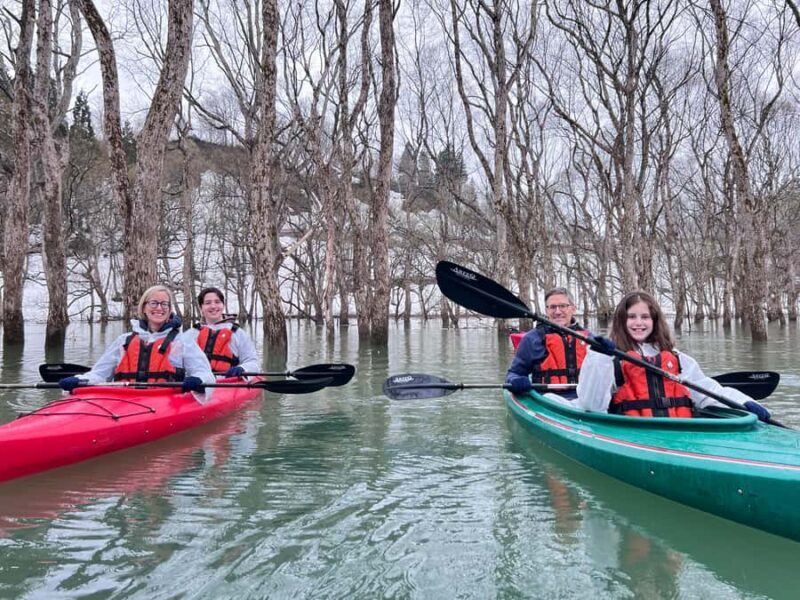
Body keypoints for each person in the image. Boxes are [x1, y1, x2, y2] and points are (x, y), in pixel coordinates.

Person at [574, 291, 771, 421]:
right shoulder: (608, 359)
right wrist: (598, 357)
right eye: (631, 317)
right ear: (621, 321)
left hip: (678, 433)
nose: (638, 323)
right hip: (633, 434)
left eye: (645, 317)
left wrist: (745, 402)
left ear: (655, 321)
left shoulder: (677, 359)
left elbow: (706, 391)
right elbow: (591, 405)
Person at [57, 285, 215, 397]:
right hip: (123, 399)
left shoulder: (182, 342)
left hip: (165, 400)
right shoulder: (124, 340)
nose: (159, 308)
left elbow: (206, 374)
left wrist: (198, 379)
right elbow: (100, 374)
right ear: (144, 308)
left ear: (169, 309)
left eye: (164, 304)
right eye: (153, 303)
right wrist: (79, 379)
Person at [506, 287, 594, 396]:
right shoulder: (532, 339)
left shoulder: (591, 339)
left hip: (585, 399)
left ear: (573, 309)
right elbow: (514, 373)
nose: (557, 312)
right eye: (552, 307)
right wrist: (515, 380)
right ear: (546, 310)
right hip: (547, 400)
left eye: (563, 306)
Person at [182, 287, 260, 377]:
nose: (213, 306)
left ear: (223, 305)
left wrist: (242, 368)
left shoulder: (238, 333)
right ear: (201, 308)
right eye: (208, 303)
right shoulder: (190, 335)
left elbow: (252, 362)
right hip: (197, 385)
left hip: (228, 384)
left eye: (217, 302)